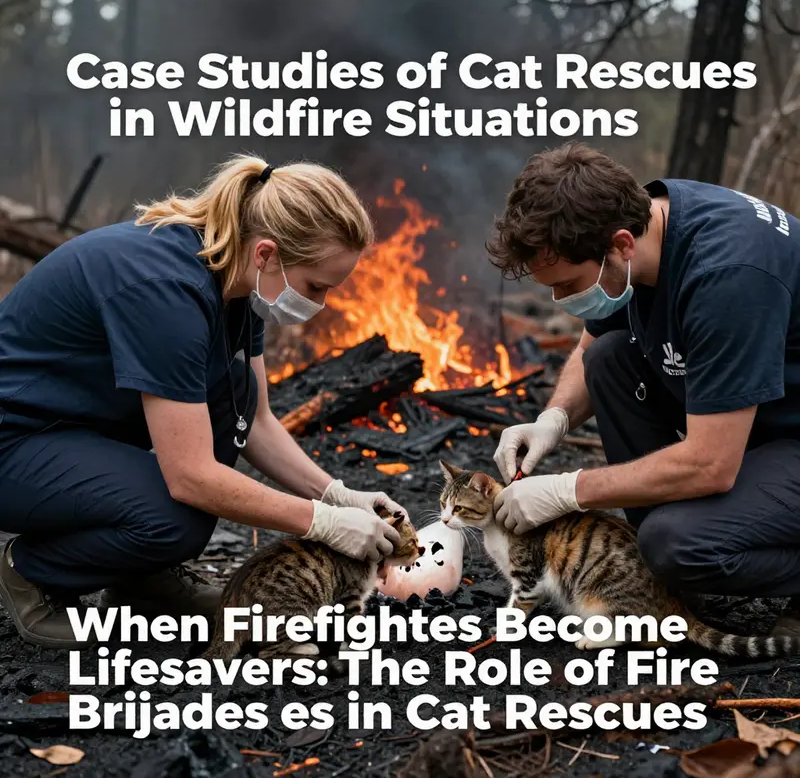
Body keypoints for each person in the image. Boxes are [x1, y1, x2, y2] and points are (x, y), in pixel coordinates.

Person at [0, 156, 406, 649]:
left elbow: (253, 420)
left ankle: (139, 581)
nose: (318, 303)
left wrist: (337, 495)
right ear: (266, 254)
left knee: (232, 387)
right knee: (175, 519)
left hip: (74, 423)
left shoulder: (240, 283)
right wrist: (322, 523)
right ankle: (33, 572)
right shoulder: (164, 289)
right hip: (15, 440)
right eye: (316, 286)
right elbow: (191, 477)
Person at [488, 142, 800, 636]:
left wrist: (569, 490)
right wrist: (554, 420)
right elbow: (594, 346)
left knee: (674, 545)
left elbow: (711, 465)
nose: (559, 299)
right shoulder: (646, 223)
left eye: (568, 283)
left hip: (784, 438)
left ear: (621, 246)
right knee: (610, 358)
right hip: (755, 420)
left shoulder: (727, 276)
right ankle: (670, 587)